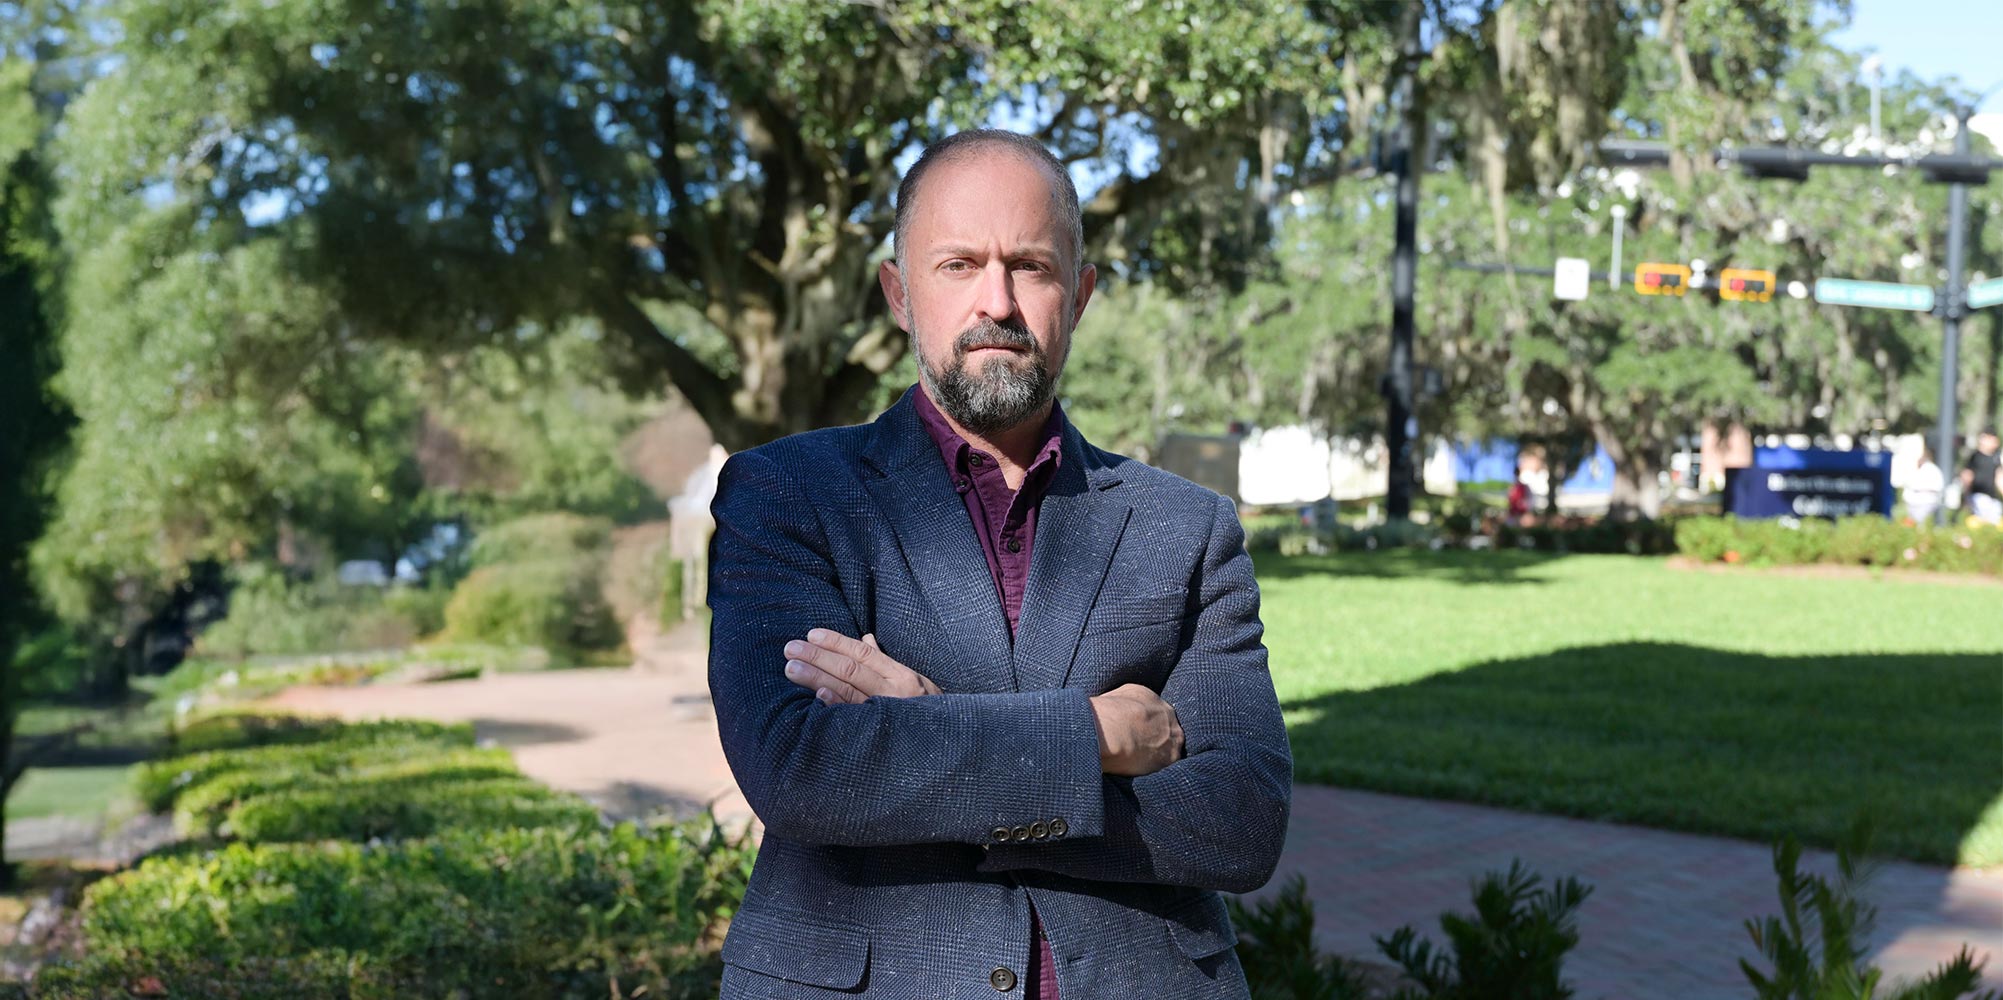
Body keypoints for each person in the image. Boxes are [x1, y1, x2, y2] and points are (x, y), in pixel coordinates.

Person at [705, 129, 1292, 999]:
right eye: (957, 265)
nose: (997, 302)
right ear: (898, 294)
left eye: (1030, 266)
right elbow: (800, 770)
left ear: (1079, 296)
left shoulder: (1185, 527)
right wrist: (1094, 738)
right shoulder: (788, 494)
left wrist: (927, 728)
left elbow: (1240, 822)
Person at [1962, 428, 2001, 525]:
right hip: (1978, 495)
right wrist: (1966, 495)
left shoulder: (1996, 458)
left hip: (1992, 497)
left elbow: (1999, 478)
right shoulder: (1975, 457)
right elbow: (1967, 476)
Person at [1903, 445, 1944, 525]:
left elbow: (1937, 487)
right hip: (1914, 501)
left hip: (1925, 501)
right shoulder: (1917, 469)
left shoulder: (1931, 469)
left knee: (1920, 523)